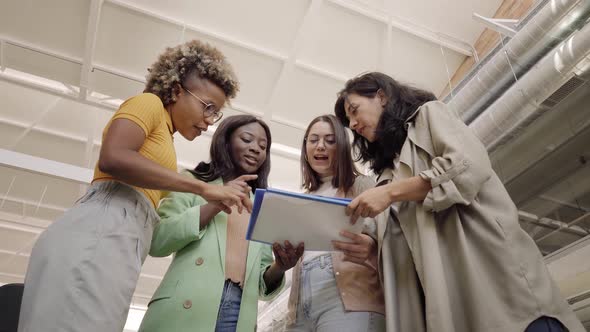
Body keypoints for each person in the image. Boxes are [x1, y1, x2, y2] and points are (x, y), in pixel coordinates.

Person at [18, 40, 251, 332]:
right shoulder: (148, 103)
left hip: (124, 236)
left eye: (214, 113)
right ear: (177, 90)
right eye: (207, 107)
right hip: (105, 225)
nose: (208, 121)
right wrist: (202, 189)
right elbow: (113, 156)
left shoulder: (166, 137)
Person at [334, 72, 585, 332]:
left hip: (490, 273)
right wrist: (374, 248)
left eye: (354, 111)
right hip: (451, 299)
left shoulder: (429, 116)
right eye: (348, 120)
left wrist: (391, 193)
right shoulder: (386, 176)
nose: (352, 124)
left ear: (382, 97)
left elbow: (467, 165)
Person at [139, 115, 303, 332]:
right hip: (185, 304)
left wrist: (280, 267)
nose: (256, 148)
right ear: (225, 142)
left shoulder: (261, 206)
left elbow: (263, 285)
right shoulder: (194, 182)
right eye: (247, 139)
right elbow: (158, 241)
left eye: (263, 146)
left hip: (238, 312)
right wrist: (215, 204)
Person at [283, 114, 385, 332]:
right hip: (301, 301)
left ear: (341, 148)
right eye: (313, 140)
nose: (320, 146)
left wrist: (372, 245)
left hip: (349, 294)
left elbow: (390, 236)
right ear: (305, 148)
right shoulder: (302, 199)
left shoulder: (361, 185)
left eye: (330, 141)